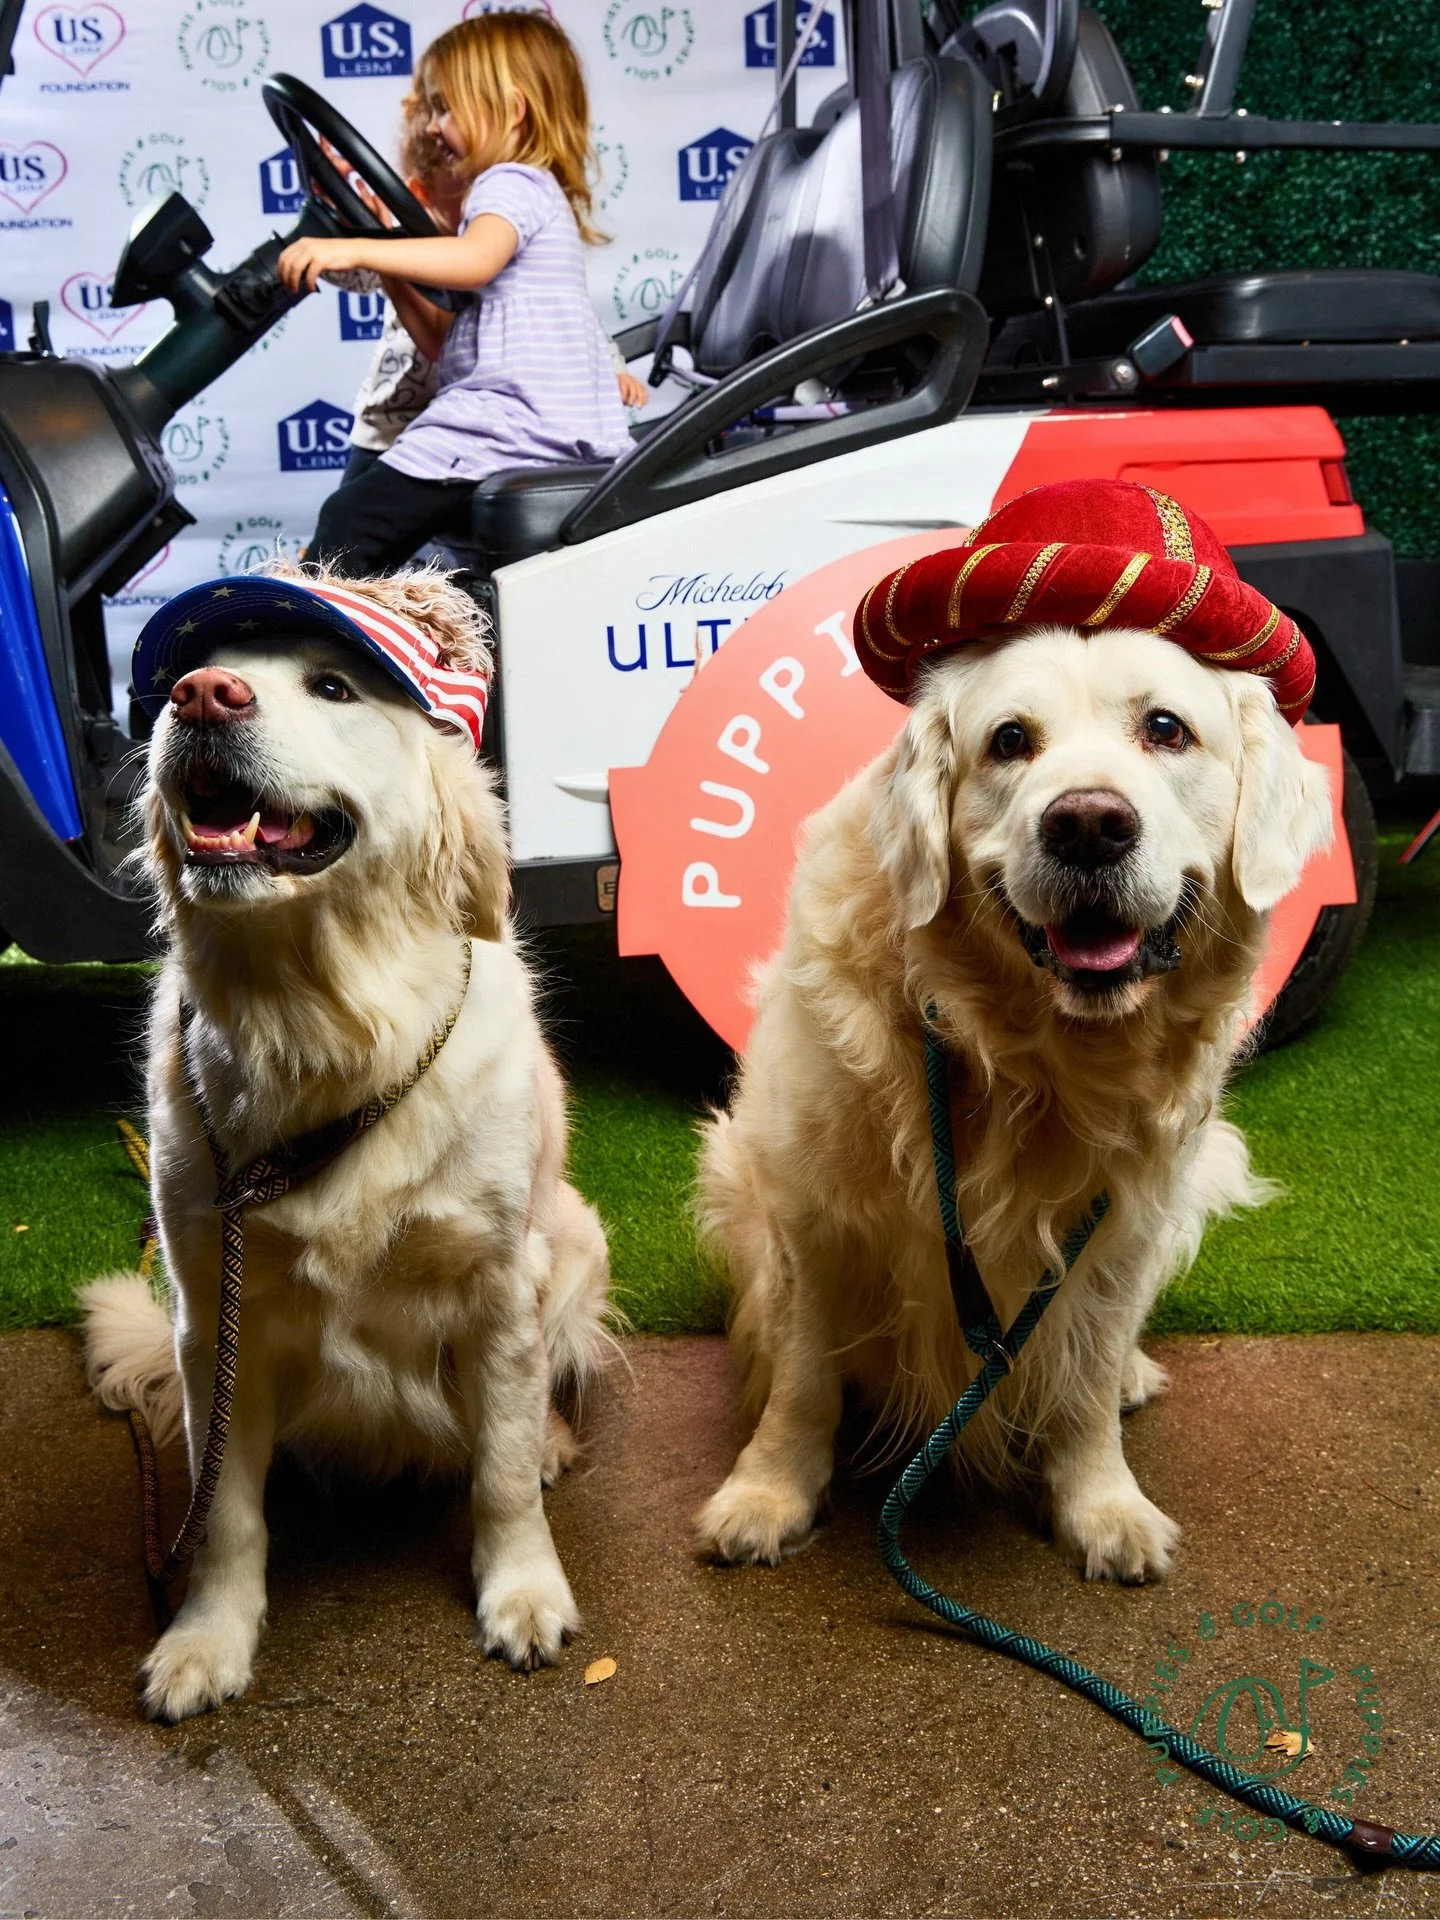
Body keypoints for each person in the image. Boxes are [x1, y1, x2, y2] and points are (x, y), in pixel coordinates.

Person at [278, 13, 640, 576]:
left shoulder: (511, 183)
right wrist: (390, 260)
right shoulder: (525, 192)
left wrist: (354, 250)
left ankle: (302, 646)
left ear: (513, 109)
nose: (432, 126)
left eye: (446, 108)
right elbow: (439, 349)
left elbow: (473, 261)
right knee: (356, 521)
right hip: (510, 420)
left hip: (509, 424)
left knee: (352, 522)